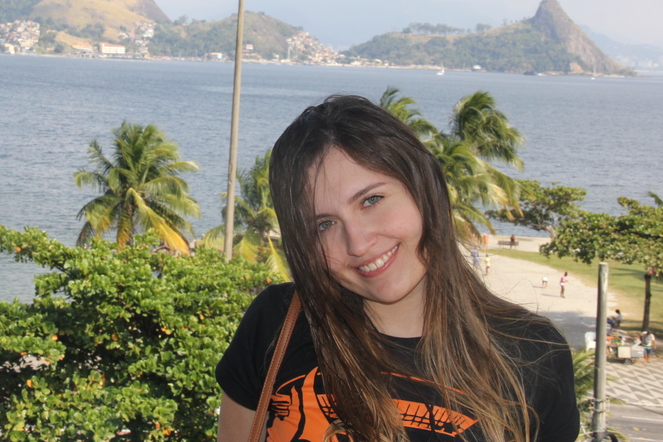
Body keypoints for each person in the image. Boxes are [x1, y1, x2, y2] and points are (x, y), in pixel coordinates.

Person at [216, 95, 578, 442]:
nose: (358, 244)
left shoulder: (534, 353)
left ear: (423, 189)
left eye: (371, 200)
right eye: (324, 224)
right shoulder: (278, 323)